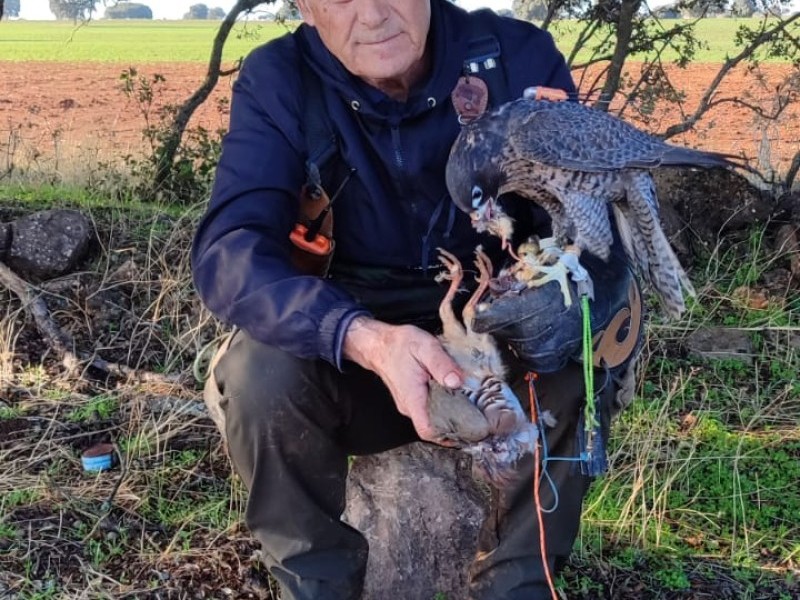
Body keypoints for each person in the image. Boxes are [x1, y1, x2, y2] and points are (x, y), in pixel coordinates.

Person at [191, 1, 639, 598]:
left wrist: (563, 297)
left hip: (494, 333)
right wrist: (361, 337)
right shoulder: (281, 79)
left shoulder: (517, 58)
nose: (373, 14)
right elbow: (230, 250)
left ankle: (520, 585)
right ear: (304, 7)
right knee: (260, 378)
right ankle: (317, 586)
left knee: (570, 354)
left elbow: (596, 219)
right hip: (352, 341)